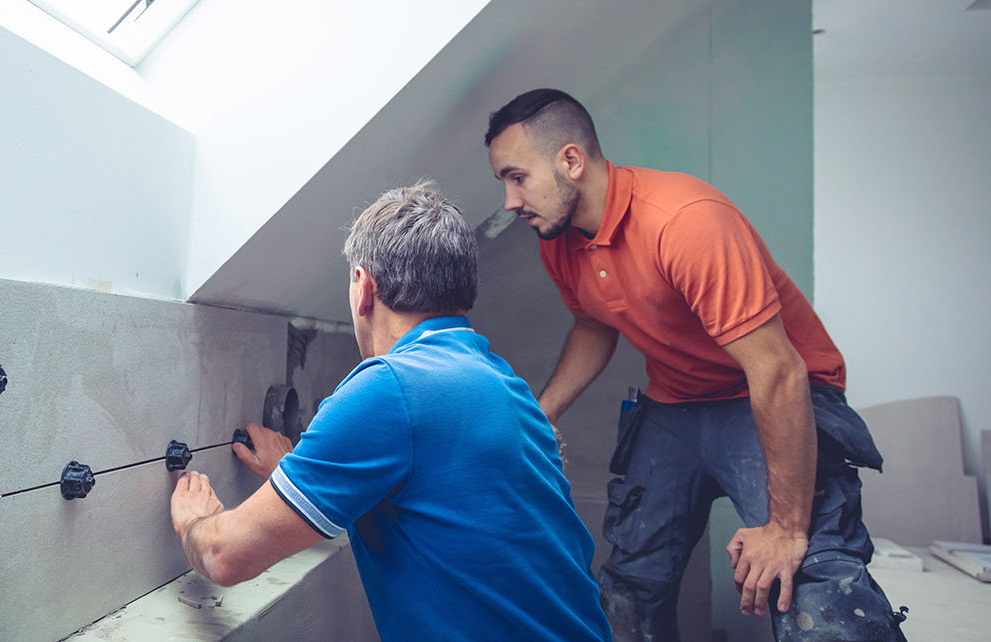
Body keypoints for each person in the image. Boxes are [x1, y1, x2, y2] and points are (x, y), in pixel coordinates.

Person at [484, 88, 905, 642]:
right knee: (630, 583)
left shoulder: (685, 221)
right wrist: (542, 414)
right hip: (677, 403)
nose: (511, 201)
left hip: (769, 392)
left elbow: (779, 372)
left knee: (807, 573)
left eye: (518, 177)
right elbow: (594, 323)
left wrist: (783, 527)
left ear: (570, 160)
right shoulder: (558, 237)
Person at [168, 181, 612, 641]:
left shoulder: (389, 388)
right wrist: (295, 474)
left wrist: (192, 522)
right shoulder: (501, 383)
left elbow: (224, 556)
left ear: (363, 287)